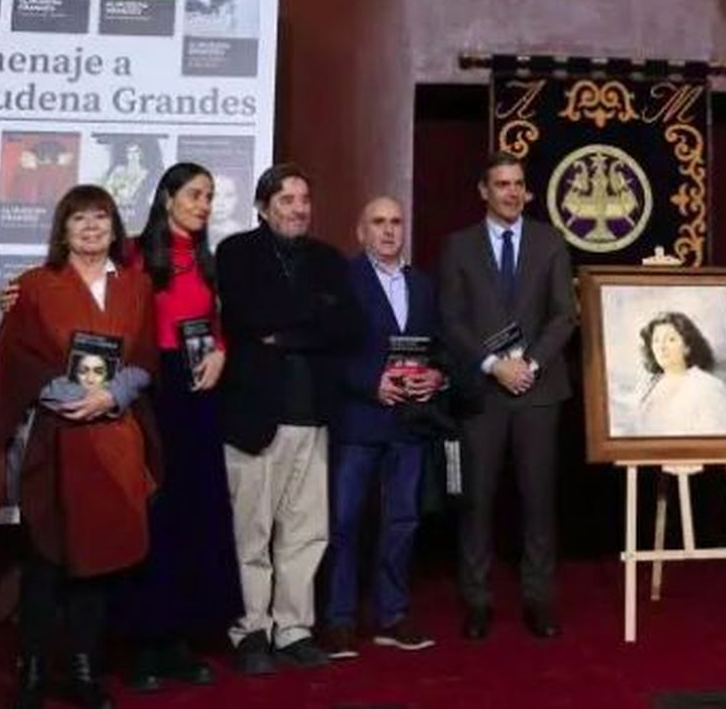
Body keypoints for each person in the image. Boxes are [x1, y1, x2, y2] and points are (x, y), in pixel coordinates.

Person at [0, 185, 159, 709]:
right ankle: (30, 672)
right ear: (63, 230)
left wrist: (112, 395)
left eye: (101, 218)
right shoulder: (34, 286)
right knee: (45, 561)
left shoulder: (136, 285)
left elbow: (144, 356)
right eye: (79, 219)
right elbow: (18, 358)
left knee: (98, 565)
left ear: (115, 228)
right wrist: (70, 397)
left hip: (116, 438)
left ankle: (84, 672)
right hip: (56, 438)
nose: (91, 227)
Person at [216, 164, 364, 673]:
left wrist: (287, 334)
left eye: (304, 200)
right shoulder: (236, 252)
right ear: (263, 207)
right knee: (250, 532)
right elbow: (248, 317)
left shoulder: (329, 259)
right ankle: (251, 630)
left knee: (306, 533)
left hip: (314, 417)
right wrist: (312, 320)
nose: (299, 209)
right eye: (287, 200)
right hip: (255, 417)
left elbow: (348, 327)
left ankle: (294, 629)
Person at [109, 163, 242, 691]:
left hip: (198, 395)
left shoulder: (209, 261)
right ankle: (145, 640)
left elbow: (220, 326)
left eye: (209, 195)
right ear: (167, 198)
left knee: (195, 514)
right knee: (152, 517)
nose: (204, 204)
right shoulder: (132, 254)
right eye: (194, 194)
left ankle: (180, 640)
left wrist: (222, 353)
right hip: (149, 394)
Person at [439, 152, 577, 640]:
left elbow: (564, 314)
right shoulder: (458, 246)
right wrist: (493, 365)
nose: (512, 192)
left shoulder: (550, 240)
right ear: (484, 191)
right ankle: (477, 601)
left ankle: (539, 600)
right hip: (483, 392)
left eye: (518, 183)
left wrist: (529, 365)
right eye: (502, 184)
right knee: (476, 501)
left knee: (538, 501)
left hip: (538, 391)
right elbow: (451, 319)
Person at [319, 196, 447, 658]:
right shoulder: (343, 280)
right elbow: (328, 352)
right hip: (359, 420)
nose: (389, 230)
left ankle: (392, 615)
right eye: (378, 222)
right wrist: (370, 382)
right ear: (361, 232)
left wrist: (437, 375)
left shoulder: (423, 285)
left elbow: (440, 346)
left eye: (395, 222)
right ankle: (339, 619)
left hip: (409, 423)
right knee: (345, 522)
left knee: (403, 521)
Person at [623, 312, 726, 437]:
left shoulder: (707, 387)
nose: (661, 347)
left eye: (671, 339)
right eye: (656, 340)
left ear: (687, 347)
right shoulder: (647, 387)